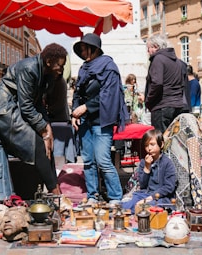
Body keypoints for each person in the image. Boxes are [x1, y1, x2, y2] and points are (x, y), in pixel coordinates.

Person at [0, 43, 68, 195]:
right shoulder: (29, 68)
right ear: (49, 62)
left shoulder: (45, 75)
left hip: (14, 106)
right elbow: (27, 106)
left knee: (48, 144)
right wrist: (43, 130)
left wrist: (47, 127)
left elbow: (38, 104)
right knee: (37, 144)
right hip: (3, 107)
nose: (61, 70)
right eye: (60, 66)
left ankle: (55, 190)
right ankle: (55, 192)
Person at [71, 33, 129, 205]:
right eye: (80, 50)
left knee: (103, 161)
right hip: (84, 122)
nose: (82, 53)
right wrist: (74, 113)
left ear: (94, 49)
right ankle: (92, 195)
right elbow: (77, 92)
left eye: (84, 49)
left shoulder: (109, 67)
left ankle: (115, 197)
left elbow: (108, 95)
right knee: (88, 161)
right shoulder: (84, 68)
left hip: (102, 121)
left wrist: (86, 107)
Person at [121, 129, 177, 214]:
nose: (149, 148)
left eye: (152, 144)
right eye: (146, 145)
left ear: (161, 144)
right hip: (145, 194)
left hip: (160, 197)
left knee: (148, 208)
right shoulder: (144, 162)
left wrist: (151, 197)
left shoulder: (167, 163)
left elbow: (169, 187)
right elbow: (143, 184)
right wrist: (147, 167)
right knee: (125, 206)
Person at [144, 34, 185, 133]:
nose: (148, 51)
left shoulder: (158, 59)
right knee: (172, 139)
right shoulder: (178, 62)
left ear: (155, 47)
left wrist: (148, 100)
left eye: (148, 48)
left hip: (162, 106)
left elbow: (157, 83)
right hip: (177, 105)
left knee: (160, 139)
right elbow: (182, 84)